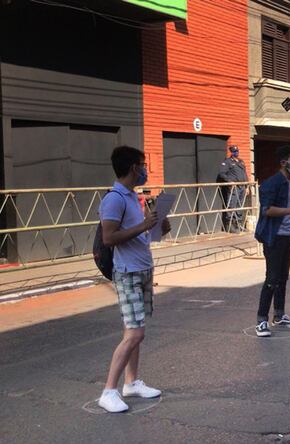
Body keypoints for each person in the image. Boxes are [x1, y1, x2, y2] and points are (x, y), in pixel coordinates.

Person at [97, 146, 171, 413]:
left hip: (142, 268)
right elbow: (109, 238)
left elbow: (140, 236)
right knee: (134, 334)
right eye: (142, 165)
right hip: (127, 272)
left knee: (136, 332)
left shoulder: (132, 197)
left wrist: (159, 224)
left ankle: (131, 382)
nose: (145, 170)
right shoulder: (114, 198)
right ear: (132, 168)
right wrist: (143, 225)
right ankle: (108, 391)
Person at [253, 145, 290, 337]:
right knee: (272, 278)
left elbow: (288, 211)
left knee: (283, 277)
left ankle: (279, 314)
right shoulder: (271, 183)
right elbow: (266, 210)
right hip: (273, 237)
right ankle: (261, 320)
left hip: (288, 235)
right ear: (284, 163)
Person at [216, 145, 248, 233]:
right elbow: (221, 174)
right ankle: (230, 226)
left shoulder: (241, 162)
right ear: (231, 152)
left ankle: (239, 224)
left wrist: (247, 186)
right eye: (234, 152)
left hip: (242, 187)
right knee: (231, 205)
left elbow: (244, 174)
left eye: (237, 151)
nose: (236, 153)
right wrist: (230, 181)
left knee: (240, 206)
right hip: (234, 188)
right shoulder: (227, 162)